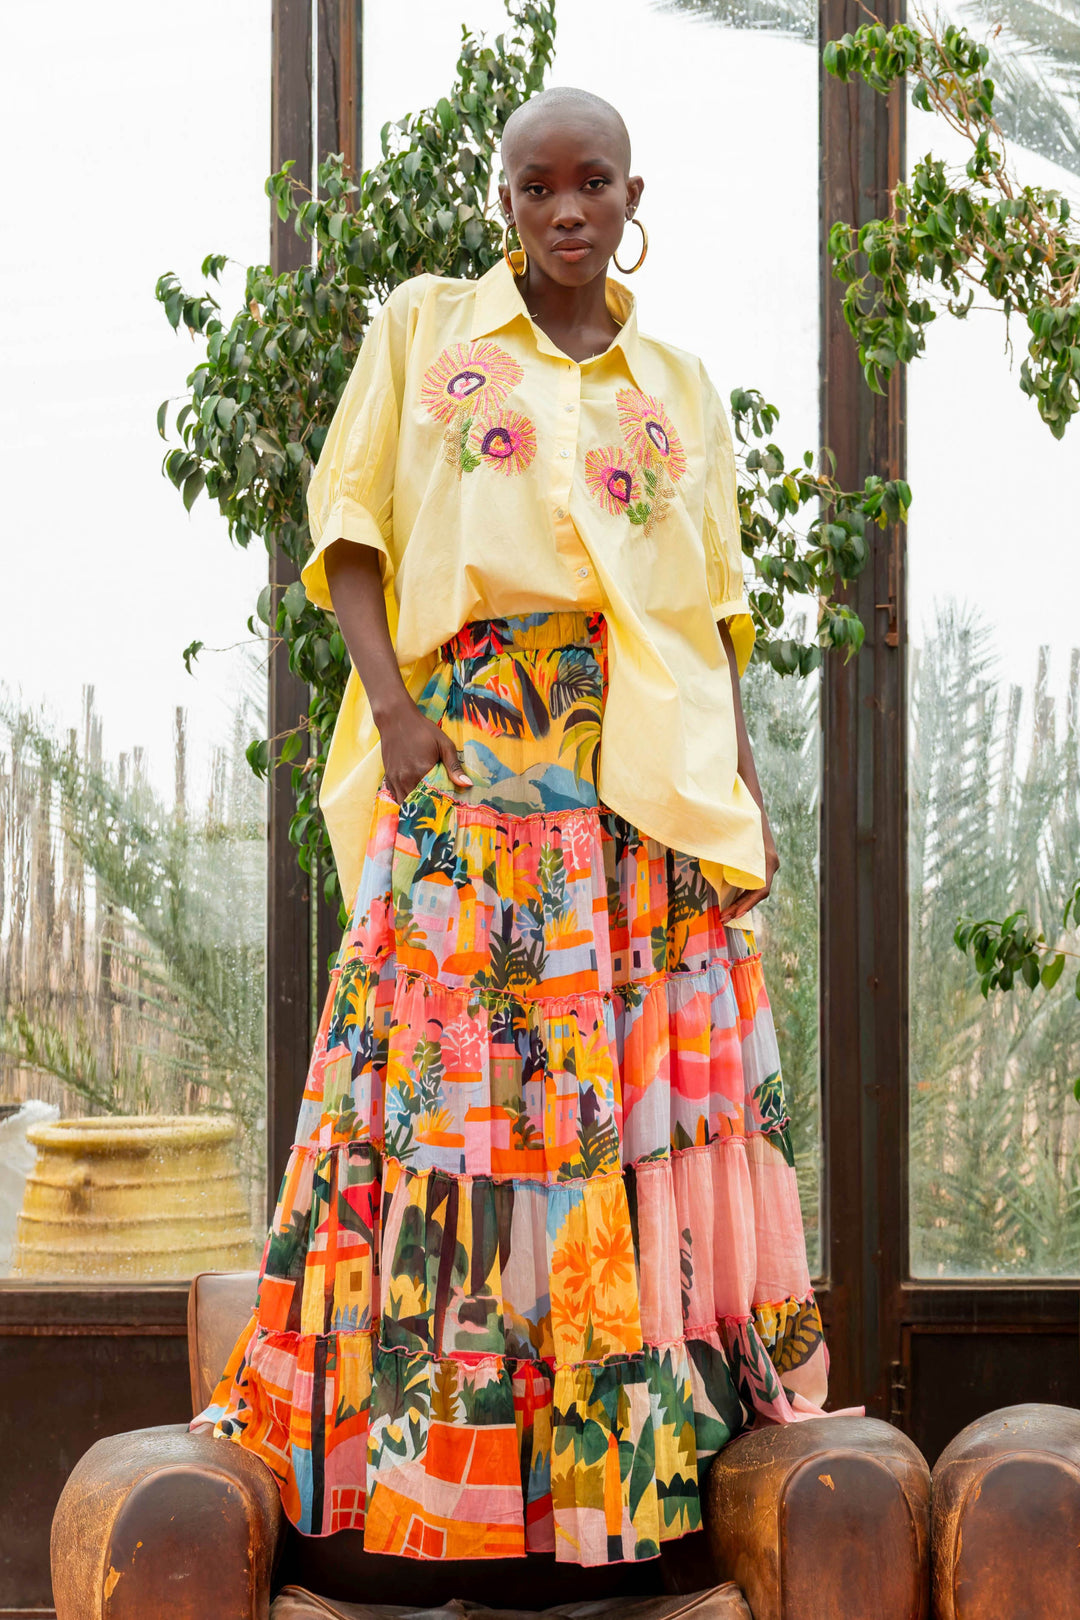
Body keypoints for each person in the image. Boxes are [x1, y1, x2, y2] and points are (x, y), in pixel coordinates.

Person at [195, 85, 832, 1569]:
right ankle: (448, 1471)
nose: (564, 209)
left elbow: (713, 611)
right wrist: (396, 713)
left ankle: (632, 1472)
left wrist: (736, 778)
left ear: (629, 197)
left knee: (622, 1121)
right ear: (503, 202)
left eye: (591, 184)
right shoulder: (430, 331)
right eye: (535, 186)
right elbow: (347, 532)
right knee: (452, 1109)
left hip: (642, 789)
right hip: (473, 767)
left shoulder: (677, 379)